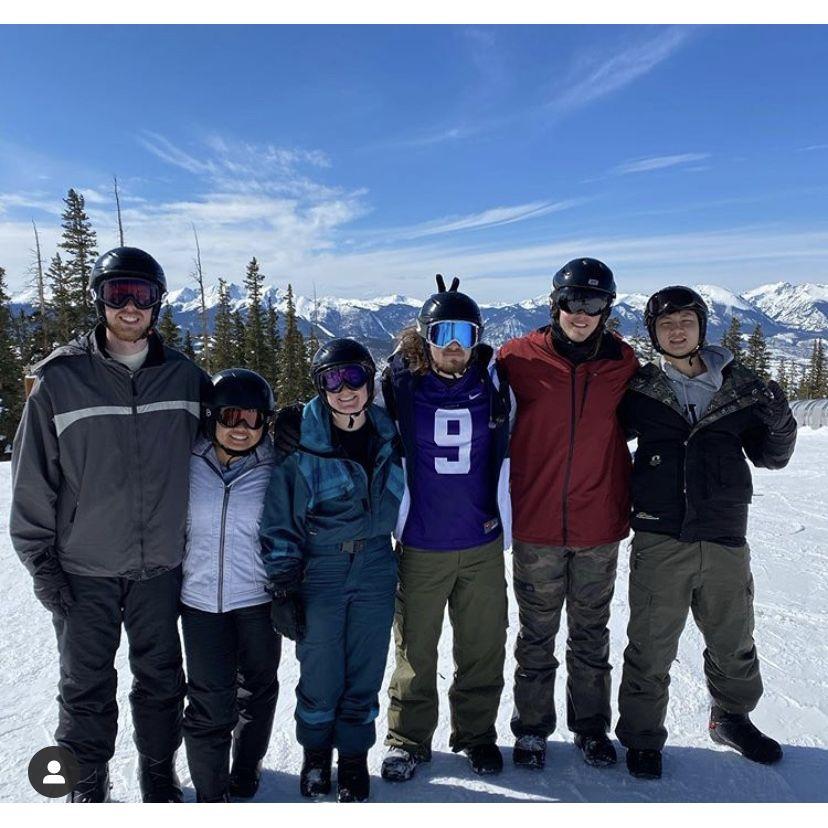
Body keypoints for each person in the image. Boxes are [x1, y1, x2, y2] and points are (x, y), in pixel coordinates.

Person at [10, 246, 207, 802]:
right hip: (84, 568)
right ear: (99, 300)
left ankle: (158, 771)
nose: (129, 306)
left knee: (161, 680)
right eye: (117, 293)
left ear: (157, 303)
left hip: (160, 566)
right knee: (84, 685)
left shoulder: (185, 379)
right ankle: (86, 781)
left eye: (140, 294)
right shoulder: (60, 380)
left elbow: (233, 440)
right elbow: (32, 482)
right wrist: (43, 566)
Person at [615, 286, 796, 779]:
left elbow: (772, 455)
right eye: (666, 324)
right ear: (654, 333)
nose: (677, 331)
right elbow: (600, 441)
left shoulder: (741, 386)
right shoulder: (640, 390)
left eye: (686, 322)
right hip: (660, 535)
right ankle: (642, 735)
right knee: (650, 644)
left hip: (723, 532)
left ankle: (731, 718)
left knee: (733, 639)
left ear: (701, 327)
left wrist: (780, 420)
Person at [496, 257, 639, 770]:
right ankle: (532, 728)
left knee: (590, 633)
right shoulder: (516, 359)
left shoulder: (624, 364)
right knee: (535, 634)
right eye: (573, 301)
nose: (582, 313)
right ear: (554, 303)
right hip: (536, 522)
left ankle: (591, 728)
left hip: (598, 522)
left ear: (607, 310)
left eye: (593, 303)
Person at [260, 338, 404, 803]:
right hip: (321, 565)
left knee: (365, 667)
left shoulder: (388, 432)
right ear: (320, 387)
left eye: (354, 376)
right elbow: (280, 518)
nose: (345, 390)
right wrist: (283, 586)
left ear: (369, 380)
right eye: (332, 380)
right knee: (321, 669)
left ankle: (354, 756)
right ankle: (317, 754)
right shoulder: (302, 441)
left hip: (377, 562)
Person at [380, 275, 511, 781]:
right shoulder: (399, 386)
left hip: (481, 540)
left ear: (477, 337)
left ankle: (476, 734)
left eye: (464, 333)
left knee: (483, 648)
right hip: (422, 543)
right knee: (415, 651)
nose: (454, 345)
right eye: (442, 333)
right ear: (424, 336)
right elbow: (345, 410)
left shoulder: (496, 384)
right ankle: (408, 739)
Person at [180, 368, 281, 802]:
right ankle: (210, 790)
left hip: (257, 598)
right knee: (209, 699)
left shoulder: (277, 465)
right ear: (211, 417)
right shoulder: (187, 459)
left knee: (257, 689)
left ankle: (245, 767)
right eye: (230, 416)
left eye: (253, 419)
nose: (241, 428)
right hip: (200, 600)